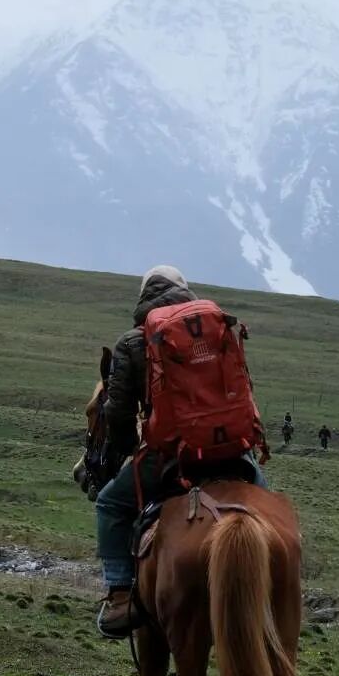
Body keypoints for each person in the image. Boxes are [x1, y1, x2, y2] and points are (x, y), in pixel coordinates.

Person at [94, 264, 268, 638]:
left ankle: (121, 595)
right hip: (230, 451)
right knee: (270, 511)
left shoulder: (133, 342)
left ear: (144, 297)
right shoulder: (213, 327)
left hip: (171, 457)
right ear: (185, 291)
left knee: (109, 504)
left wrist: (126, 448)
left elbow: (119, 411)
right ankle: (280, 581)